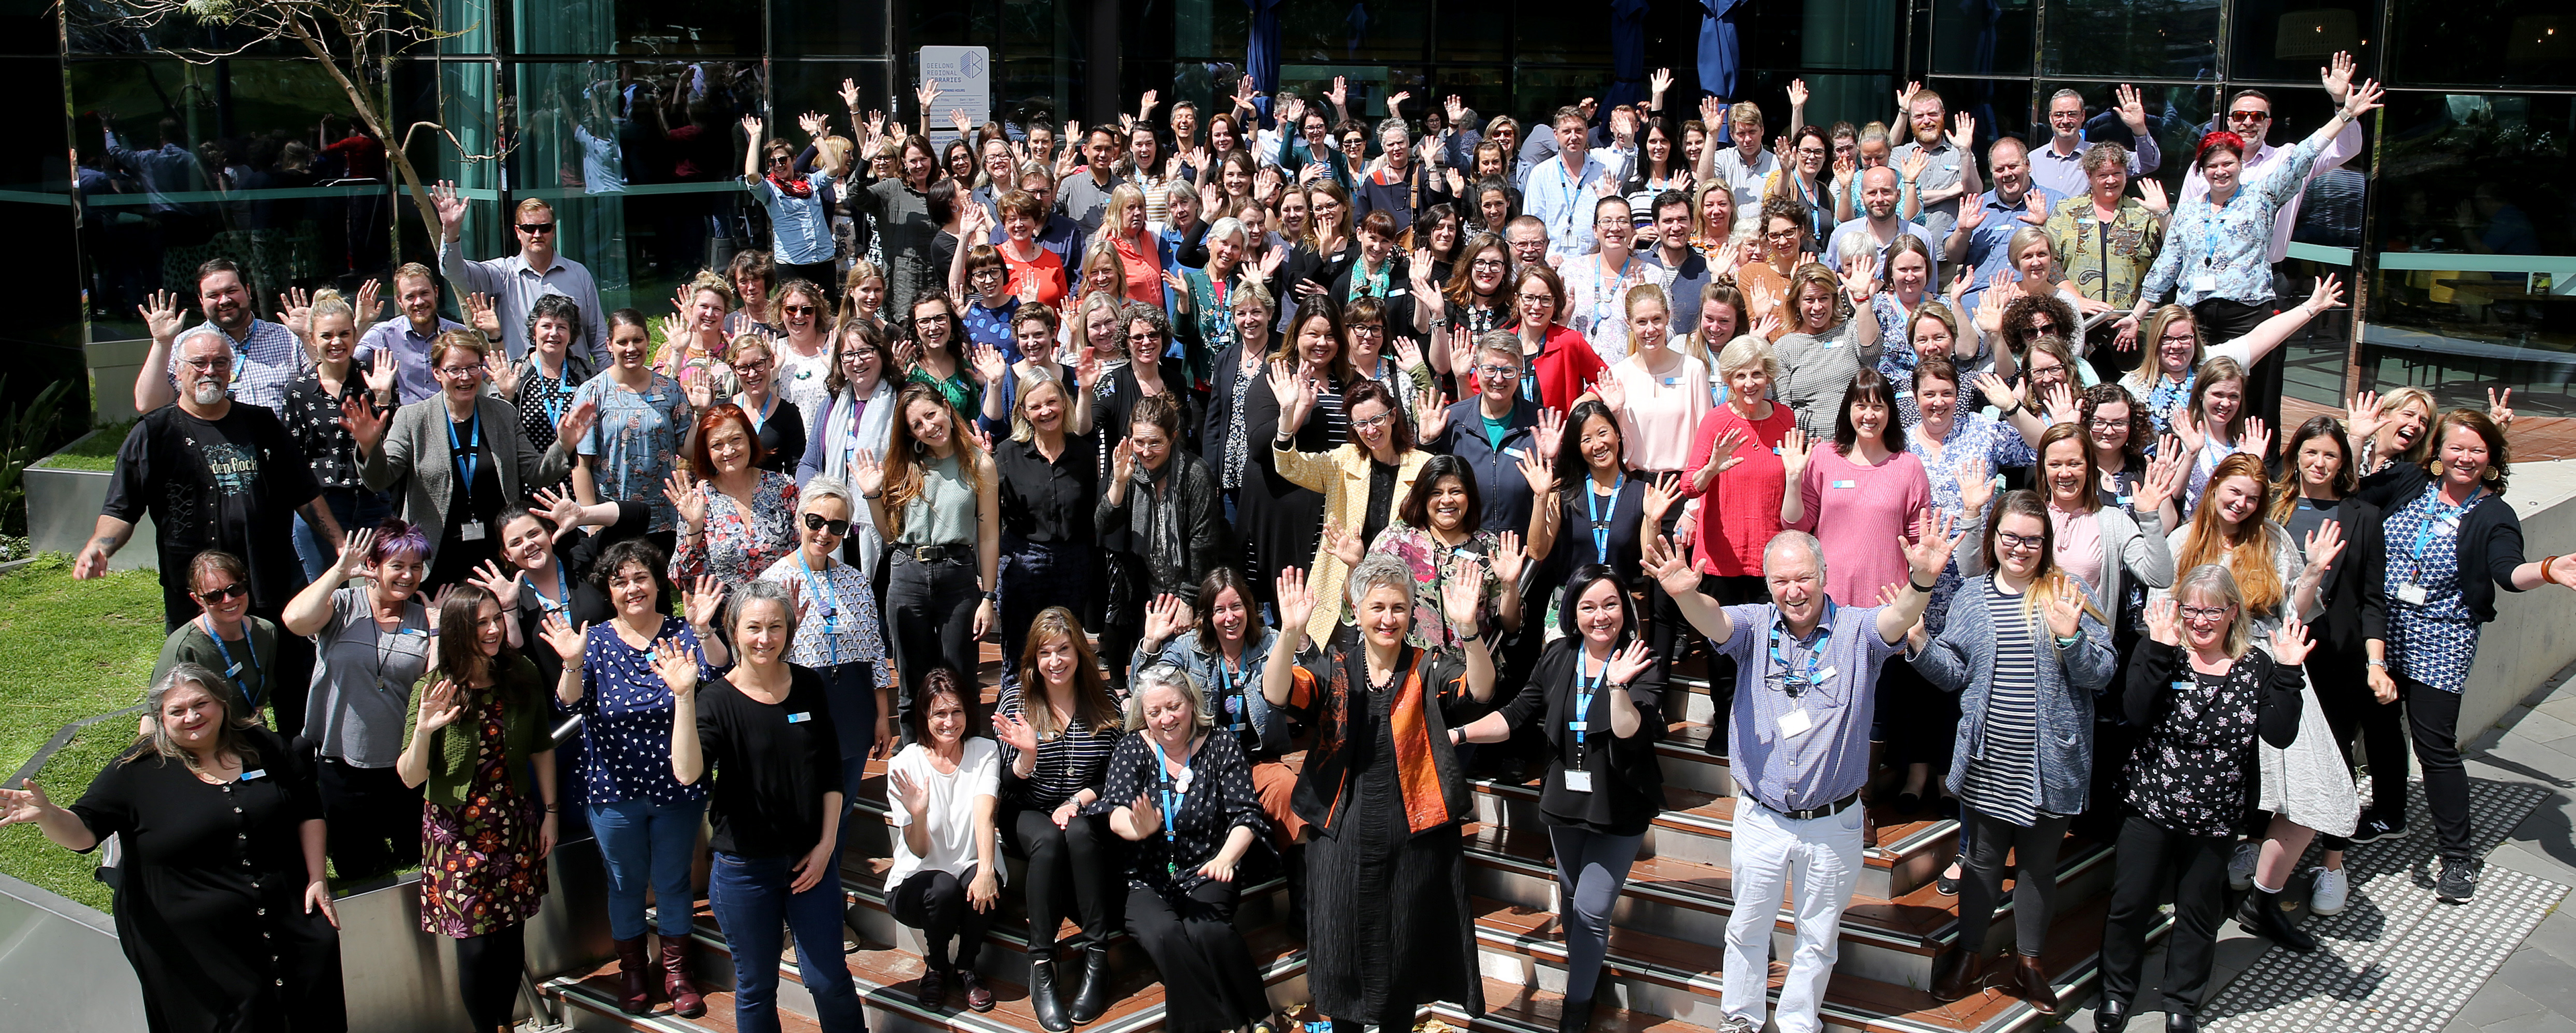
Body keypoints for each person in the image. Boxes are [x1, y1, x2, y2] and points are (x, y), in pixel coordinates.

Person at [1642, 516, 1954, 1033]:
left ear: (1825, 575)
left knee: (1818, 934)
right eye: (1782, 580)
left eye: (1804, 577)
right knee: (1746, 927)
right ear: (1767, 585)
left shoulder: (1858, 632)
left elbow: (1898, 618)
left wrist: (1921, 581)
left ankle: (1796, 1021)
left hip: (1834, 821)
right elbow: (1714, 621)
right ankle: (1740, 1019)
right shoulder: (1753, 626)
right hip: (1762, 817)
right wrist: (1683, 597)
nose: (1794, 591)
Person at [0, 664, 347, 1033]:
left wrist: (316, 878)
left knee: (314, 1005)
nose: (192, 717)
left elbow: (307, 809)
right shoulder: (135, 772)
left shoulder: (264, 746)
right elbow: (85, 833)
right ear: (161, 719)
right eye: (177, 711)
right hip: (195, 946)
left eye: (201, 704)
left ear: (222, 703)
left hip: (286, 915)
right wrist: (48, 814)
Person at [1261, 555, 1497, 1031]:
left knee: (1403, 954)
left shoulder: (1429, 666)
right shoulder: (1334, 667)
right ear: (1355, 608)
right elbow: (1278, 691)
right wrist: (1288, 635)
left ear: (1412, 613)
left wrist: (1469, 629)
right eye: (1378, 607)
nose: (1388, 619)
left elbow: (1481, 689)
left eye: (1399, 608)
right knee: (1341, 953)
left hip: (1414, 834)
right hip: (1341, 833)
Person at [2357, 410, 2576, 904]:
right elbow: (2352, 499)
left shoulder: (2493, 513)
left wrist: (2545, 569)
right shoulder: (2410, 481)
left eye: (2478, 450)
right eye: (2457, 447)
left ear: (2492, 460)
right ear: (2437, 452)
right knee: (2381, 726)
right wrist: (2359, 439)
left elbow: (2507, 571)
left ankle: (2457, 857)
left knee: (2434, 748)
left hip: (2442, 638)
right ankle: (2389, 814)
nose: (2466, 458)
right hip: (2382, 631)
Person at [1912, 491, 2116, 1014]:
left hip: (2051, 761)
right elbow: (1955, 673)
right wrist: (1919, 646)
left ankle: (2030, 961)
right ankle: (1970, 951)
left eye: (2033, 539)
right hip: (1989, 756)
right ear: (1994, 537)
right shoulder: (1973, 597)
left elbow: (2103, 674)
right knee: (1980, 864)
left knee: (2037, 867)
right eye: (2011, 537)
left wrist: (2072, 641)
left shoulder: (2070, 592)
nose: (2021, 548)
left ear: (2046, 543)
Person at [2096, 568, 2310, 1033]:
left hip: (2215, 815)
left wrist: (2290, 672)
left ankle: (2181, 1003)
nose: (2200, 620)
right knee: (2130, 904)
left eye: (2213, 610)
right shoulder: (2162, 652)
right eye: (2191, 608)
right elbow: (2133, 712)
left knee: (2198, 912)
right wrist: (2157, 649)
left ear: (2233, 612)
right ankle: (2116, 994)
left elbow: (2280, 732)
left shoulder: (2257, 664)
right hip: (2151, 803)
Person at [1454, 565, 1664, 1033]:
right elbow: (1514, 715)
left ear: (1625, 609)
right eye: (1588, 606)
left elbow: (1633, 734)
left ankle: (1576, 1005)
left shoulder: (1639, 658)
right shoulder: (1558, 656)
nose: (1600, 616)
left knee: (1591, 907)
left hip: (1620, 804)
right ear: (1573, 612)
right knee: (1572, 900)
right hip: (1567, 800)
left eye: (1611, 604)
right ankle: (1588, 969)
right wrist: (1458, 732)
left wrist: (1617, 688)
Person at [670, 580, 867, 1033]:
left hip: (810, 862)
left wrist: (826, 846)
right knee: (757, 987)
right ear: (734, 631)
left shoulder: (810, 685)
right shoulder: (716, 700)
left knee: (829, 979)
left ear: (790, 629)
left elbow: (830, 774)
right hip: (744, 870)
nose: (765, 638)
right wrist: (683, 697)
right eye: (754, 626)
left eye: (775, 626)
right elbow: (687, 773)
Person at [2133, 80, 2383, 436]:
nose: (2220, 171)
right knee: (2197, 388)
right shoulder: (2189, 210)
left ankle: (2259, 461)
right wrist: (2139, 314)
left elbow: (2308, 153)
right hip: (2198, 312)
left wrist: (2343, 111)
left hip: (2248, 309)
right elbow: (2170, 262)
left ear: (2240, 164)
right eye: (2213, 166)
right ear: (2202, 171)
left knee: (2258, 391)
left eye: (2228, 164)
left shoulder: (2263, 194)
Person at [537, 538, 723, 1016]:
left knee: (674, 882)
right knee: (625, 884)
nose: (631, 588)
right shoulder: (594, 640)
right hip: (613, 789)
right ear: (609, 591)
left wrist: (704, 631)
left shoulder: (685, 632)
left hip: (678, 787)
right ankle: (635, 972)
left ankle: (678, 973)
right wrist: (572, 661)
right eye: (619, 581)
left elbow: (721, 672)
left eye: (640, 577)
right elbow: (567, 703)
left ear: (658, 581)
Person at [82, 326, 339, 635]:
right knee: (200, 673)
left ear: (231, 371)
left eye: (220, 363)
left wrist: (339, 542)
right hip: (193, 588)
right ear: (178, 371)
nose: (211, 371)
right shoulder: (153, 434)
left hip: (264, 580)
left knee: (277, 670)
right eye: (199, 363)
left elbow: (304, 493)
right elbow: (121, 508)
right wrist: (100, 546)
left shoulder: (263, 425)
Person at [397, 584, 559, 1033]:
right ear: (456, 630)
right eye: (480, 623)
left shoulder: (520, 672)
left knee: (509, 939)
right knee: (474, 945)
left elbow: (542, 746)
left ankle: (505, 1023)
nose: (492, 630)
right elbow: (410, 776)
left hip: (513, 823)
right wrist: (425, 730)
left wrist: (551, 812)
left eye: (495, 620)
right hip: (455, 833)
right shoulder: (432, 689)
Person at [1095, 665, 1276, 1033]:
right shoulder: (1132, 748)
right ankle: (1238, 1020)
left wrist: (1226, 858)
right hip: (1144, 877)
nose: (1166, 719)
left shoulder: (1221, 743)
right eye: (1154, 712)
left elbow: (1247, 814)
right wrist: (1136, 828)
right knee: (1166, 934)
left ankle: (1257, 1013)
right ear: (1142, 715)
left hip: (1208, 867)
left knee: (1208, 931)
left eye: (1173, 707)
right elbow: (1113, 811)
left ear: (1192, 703)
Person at [2262, 415, 2391, 918]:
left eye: (2330, 455)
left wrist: (2376, 662)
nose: (2319, 463)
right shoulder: (2275, 505)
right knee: (2271, 750)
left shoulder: (2363, 514)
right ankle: (2261, 846)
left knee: (2337, 758)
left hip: (2338, 656)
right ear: (2295, 456)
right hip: (2278, 648)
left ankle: (2333, 864)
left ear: (2344, 462)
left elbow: (2373, 598)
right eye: (2310, 453)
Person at [344, 328, 586, 594]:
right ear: (438, 373)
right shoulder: (412, 419)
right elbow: (380, 480)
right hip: (435, 558)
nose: (465, 377)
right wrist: (369, 447)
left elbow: (536, 473)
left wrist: (564, 444)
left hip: (496, 557)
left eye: (473, 368)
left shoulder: (502, 415)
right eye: (455, 370)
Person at [992, 607, 1127, 1031]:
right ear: (1033, 657)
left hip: (1083, 809)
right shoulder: (1017, 700)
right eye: (1045, 652)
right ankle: (1042, 965)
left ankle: (1097, 956)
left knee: (1082, 832)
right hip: (1026, 809)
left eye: (1064, 650)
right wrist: (1026, 758)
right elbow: (1000, 788)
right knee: (1049, 839)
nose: (1055, 661)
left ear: (1080, 652)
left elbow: (1114, 775)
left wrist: (1078, 800)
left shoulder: (1103, 702)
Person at [285, 523, 434, 879]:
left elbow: (436, 683)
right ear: (374, 566)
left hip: (405, 763)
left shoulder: (425, 616)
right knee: (358, 868)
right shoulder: (342, 606)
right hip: (342, 762)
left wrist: (440, 629)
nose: (408, 575)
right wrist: (339, 573)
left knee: (417, 859)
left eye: (416, 567)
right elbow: (294, 620)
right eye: (397, 565)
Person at [758, 475, 894, 857]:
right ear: (799, 519)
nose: (824, 533)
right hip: (800, 701)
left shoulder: (854, 581)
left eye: (836, 526)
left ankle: (827, 886)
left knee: (844, 803)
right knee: (804, 804)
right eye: (816, 521)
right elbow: (757, 659)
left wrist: (881, 716)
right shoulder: (775, 581)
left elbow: (872, 652)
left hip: (850, 702)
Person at [852, 383, 1001, 705]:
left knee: (960, 678)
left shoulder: (980, 464)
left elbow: (988, 536)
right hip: (908, 572)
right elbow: (890, 535)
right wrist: (873, 495)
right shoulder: (902, 464)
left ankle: (966, 751)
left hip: (957, 572)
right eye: (917, 425)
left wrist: (988, 596)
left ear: (947, 408)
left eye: (931, 415)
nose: (929, 427)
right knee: (911, 682)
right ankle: (913, 751)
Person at [1270, 377, 1436, 646]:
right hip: (1347, 589)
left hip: (1401, 593)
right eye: (1361, 423)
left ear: (1393, 415)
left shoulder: (1423, 467)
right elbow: (1290, 466)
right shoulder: (1343, 460)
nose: (1370, 430)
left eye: (1377, 419)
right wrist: (1287, 415)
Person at [882, 668, 1002, 1012]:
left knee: (980, 878)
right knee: (944, 887)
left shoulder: (984, 751)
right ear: (924, 716)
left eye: (957, 712)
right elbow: (917, 850)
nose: (950, 722)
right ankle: (937, 966)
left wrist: (987, 869)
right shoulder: (904, 764)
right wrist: (918, 813)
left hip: (969, 868)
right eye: (940, 713)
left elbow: (984, 814)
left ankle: (966, 967)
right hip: (917, 885)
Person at [1099, 391, 1227, 685]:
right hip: (1148, 588)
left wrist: (1188, 599)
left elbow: (1203, 542)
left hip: (1189, 585)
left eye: (1155, 442)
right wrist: (1118, 484)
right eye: (1139, 442)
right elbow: (1105, 525)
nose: (1146, 451)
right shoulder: (1129, 469)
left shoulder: (1195, 473)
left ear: (1174, 437)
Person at [1237, 299, 1353, 591]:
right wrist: (1298, 410)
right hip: (1283, 514)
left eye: (1330, 336)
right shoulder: (1275, 378)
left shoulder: (1349, 382)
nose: (1322, 343)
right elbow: (1260, 448)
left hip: (1332, 511)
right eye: (1313, 334)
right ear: (1296, 335)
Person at [281, 287, 392, 582]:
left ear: (355, 335)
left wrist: (384, 398)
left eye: (344, 334)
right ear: (312, 340)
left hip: (373, 499)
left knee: (386, 584)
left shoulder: (373, 377)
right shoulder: (299, 390)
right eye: (327, 336)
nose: (336, 342)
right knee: (324, 588)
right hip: (324, 504)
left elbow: (395, 442)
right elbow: (293, 461)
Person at [431, 183, 609, 363]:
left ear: (554, 230)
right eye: (530, 228)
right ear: (518, 232)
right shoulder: (501, 274)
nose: (538, 234)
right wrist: (451, 232)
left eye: (545, 228)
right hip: (521, 385)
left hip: (574, 384)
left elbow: (599, 342)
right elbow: (454, 272)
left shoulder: (579, 275)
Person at [572, 310, 696, 554]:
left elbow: (687, 450)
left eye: (637, 340)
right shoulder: (592, 393)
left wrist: (700, 414)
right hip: (611, 514)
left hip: (662, 516)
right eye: (622, 342)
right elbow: (581, 465)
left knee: (657, 590)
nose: (631, 348)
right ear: (609, 345)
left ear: (648, 340)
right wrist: (592, 520)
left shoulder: (669, 389)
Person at [2044, 142, 2170, 379]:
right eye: (2103, 175)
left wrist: (2163, 214)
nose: (2111, 181)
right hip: (2079, 325)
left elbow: (2171, 256)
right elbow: (2049, 261)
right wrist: (2076, 300)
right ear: (2090, 176)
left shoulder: (2143, 213)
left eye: (2117, 173)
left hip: (2131, 326)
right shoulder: (2067, 211)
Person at [132, 258, 306, 415]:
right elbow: (149, 405)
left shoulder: (289, 337)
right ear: (201, 301)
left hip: (281, 444)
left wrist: (308, 336)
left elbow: (325, 389)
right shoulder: (184, 344)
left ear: (247, 291)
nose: (224, 300)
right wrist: (161, 342)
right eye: (213, 295)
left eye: (231, 291)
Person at [799, 319, 901, 575]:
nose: (857, 362)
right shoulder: (832, 405)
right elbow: (809, 463)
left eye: (865, 351)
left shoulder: (903, 400)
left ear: (881, 353)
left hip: (891, 527)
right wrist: (819, 502)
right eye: (849, 355)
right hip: (836, 529)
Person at [666, 403, 802, 589]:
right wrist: (695, 528)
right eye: (717, 445)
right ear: (706, 452)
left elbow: (805, 553)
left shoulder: (784, 487)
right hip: (726, 613)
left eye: (736, 440)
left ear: (750, 440)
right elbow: (682, 579)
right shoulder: (699, 500)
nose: (729, 451)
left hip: (783, 608)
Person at [154, 550, 286, 730]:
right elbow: (155, 714)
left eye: (236, 589)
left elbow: (259, 699)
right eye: (214, 596)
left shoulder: (265, 632)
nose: (229, 600)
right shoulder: (183, 646)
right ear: (198, 599)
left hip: (247, 734)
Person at [1771, 258, 1886, 439]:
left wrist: (1863, 299)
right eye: (1809, 300)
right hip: (1812, 446)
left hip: (1856, 440)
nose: (1817, 307)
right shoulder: (1783, 348)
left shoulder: (1850, 330)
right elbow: (1783, 407)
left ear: (1834, 299)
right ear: (1797, 302)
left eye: (1824, 298)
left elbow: (1871, 353)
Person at [1945, 137, 2053, 312]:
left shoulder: (2054, 202)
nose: (2007, 174)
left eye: (2013, 166)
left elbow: (2064, 258)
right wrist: (1963, 231)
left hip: (2035, 303)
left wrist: (2044, 226)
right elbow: (1953, 256)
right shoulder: (1977, 206)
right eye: (2000, 169)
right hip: (1980, 301)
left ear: (2028, 165)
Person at [495, 294, 597, 457]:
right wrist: (507, 397)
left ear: (571, 333)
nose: (554, 333)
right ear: (534, 331)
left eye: (562, 327)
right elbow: (494, 429)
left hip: (576, 473)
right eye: (546, 326)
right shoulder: (513, 372)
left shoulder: (589, 375)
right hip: (528, 473)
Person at [853, 130, 941, 318]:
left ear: (932, 160)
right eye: (913, 161)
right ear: (904, 163)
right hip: (904, 281)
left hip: (938, 279)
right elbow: (858, 197)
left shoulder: (941, 190)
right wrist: (864, 161)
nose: (919, 165)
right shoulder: (892, 188)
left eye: (923, 159)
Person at [742, 116, 840, 285]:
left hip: (823, 260)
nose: (778, 165)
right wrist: (756, 137)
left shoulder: (812, 181)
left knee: (826, 311)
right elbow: (751, 174)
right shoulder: (770, 190)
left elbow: (833, 168)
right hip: (791, 265)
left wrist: (817, 136)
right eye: (773, 162)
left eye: (782, 160)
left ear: (793, 159)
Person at [351, 264, 464, 406]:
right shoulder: (383, 336)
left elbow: (491, 373)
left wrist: (494, 335)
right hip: (404, 423)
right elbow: (345, 363)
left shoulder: (458, 334)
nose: (419, 302)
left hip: (453, 421)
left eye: (424, 293)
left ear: (436, 292)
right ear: (400, 302)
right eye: (410, 297)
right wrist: (360, 323)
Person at [2027, 85, 2163, 201]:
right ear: (2051, 118)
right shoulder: (2033, 160)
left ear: (2083, 116)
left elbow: (2148, 164)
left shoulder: (2102, 155)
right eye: (2059, 115)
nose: (2065, 121)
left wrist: (2139, 128)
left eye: (2072, 114)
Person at [1562, 197, 1657, 364]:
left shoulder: (1652, 276)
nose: (1615, 228)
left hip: (1632, 373)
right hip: (1578, 374)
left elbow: (1668, 334)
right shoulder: (1570, 271)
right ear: (1595, 230)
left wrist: (1640, 309)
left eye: (1623, 221)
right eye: (1606, 221)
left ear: (1632, 229)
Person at [1509, 265, 1611, 413]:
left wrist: (1585, 399)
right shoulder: (1501, 342)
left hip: (1559, 433)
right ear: (1517, 299)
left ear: (1556, 303)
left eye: (1546, 299)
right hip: (1510, 435)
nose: (1537, 306)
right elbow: (1479, 393)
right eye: (1529, 298)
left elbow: (1604, 380)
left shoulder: (1570, 341)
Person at [1522, 107, 1613, 265]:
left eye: (1579, 130)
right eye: (1567, 131)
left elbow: (1614, 222)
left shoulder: (1603, 173)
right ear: (1556, 135)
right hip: (1552, 265)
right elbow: (1532, 226)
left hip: (1593, 264)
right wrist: (1547, 257)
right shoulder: (1541, 174)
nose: (1574, 137)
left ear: (1587, 132)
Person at [1823, 167, 1943, 285]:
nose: (1879, 199)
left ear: (1898, 195)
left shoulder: (1921, 237)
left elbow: (1929, 291)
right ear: (1862, 197)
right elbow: (1829, 285)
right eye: (1872, 193)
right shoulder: (1842, 235)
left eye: (1886, 192)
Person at [1888, 86, 1979, 239]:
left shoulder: (1960, 154)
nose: (1927, 121)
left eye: (1932, 114)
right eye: (1919, 116)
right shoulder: (1899, 155)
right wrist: (1947, 193)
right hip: (1905, 248)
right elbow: (1898, 198)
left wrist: (1965, 151)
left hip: (1948, 251)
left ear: (1943, 115)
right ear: (1910, 120)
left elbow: (1973, 194)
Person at [725, 336, 809, 478]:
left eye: (758, 364)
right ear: (734, 370)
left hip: (771, 496)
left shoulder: (788, 414)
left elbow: (796, 468)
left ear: (771, 362)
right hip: (728, 496)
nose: (752, 374)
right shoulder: (722, 410)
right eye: (743, 368)